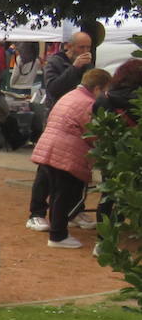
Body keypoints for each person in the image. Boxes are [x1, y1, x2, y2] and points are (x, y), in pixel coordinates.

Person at [32, 68, 111, 249]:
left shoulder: (69, 96)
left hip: (50, 147)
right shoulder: (89, 104)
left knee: (58, 193)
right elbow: (92, 133)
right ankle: (58, 235)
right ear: (98, 88)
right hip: (67, 152)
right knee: (63, 194)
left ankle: (59, 230)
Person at [27, 32, 95, 231]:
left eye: (88, 48)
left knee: (77, 167)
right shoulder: (55, 63)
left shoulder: (88, 65)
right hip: (56, 120)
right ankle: (36, 213)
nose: (85, 52)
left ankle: (74, 211)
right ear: (69, 46)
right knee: (47, 168)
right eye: (81, 47)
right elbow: (54, 88)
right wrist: (74, 69)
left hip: (79, 121)